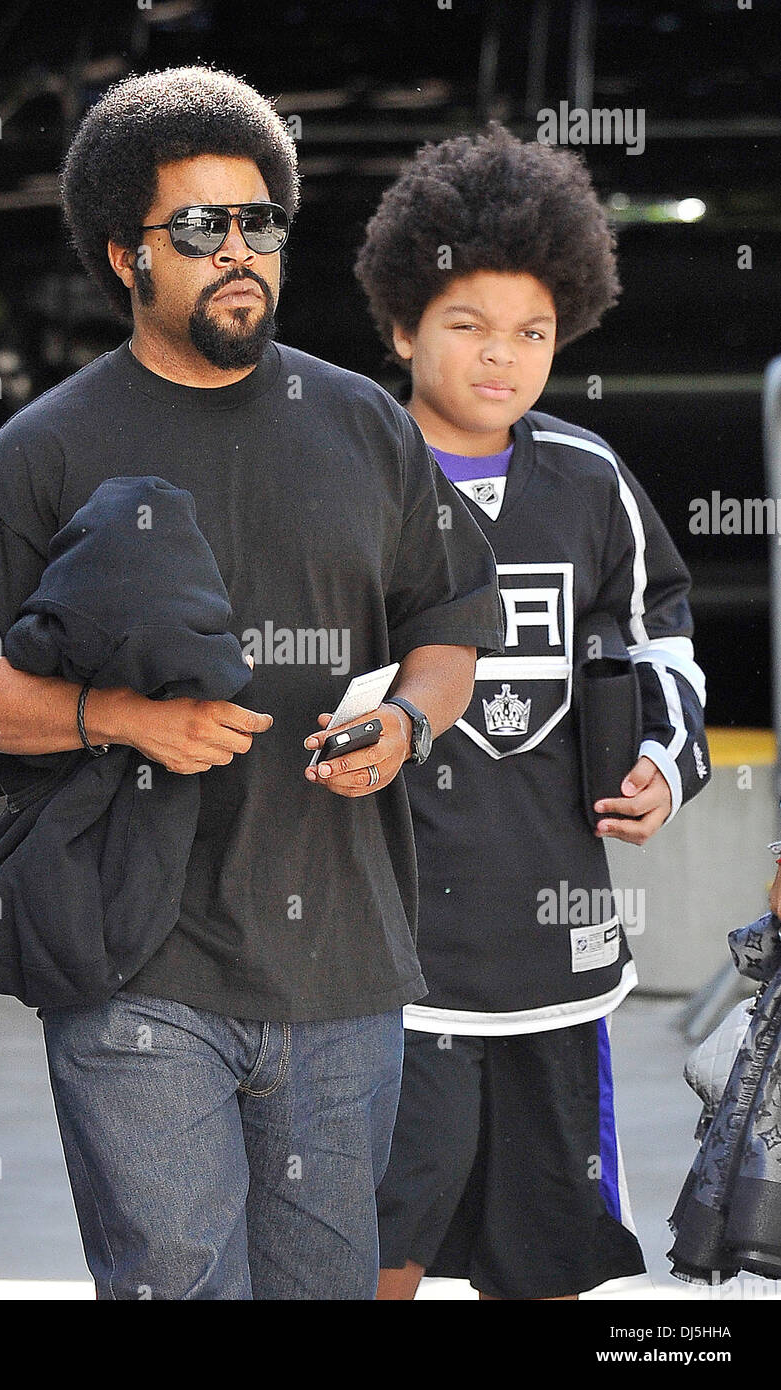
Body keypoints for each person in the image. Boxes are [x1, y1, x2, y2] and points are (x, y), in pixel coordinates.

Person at [0, 66, 504, 1300]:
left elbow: (452, 620)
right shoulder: (45, 449)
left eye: (259, 222)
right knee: (177, 1282)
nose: (241, 252)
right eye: (202, 228)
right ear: (129, 255)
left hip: (341, 961)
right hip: (134, 962)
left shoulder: (361, 424)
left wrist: (406, 721)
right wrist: (119, 719)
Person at [353, 123, 711, 1301]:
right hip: (386, 953)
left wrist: (663, 756)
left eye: (533, 333)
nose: (502, 358)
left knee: (552, 1246)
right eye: (467, 326)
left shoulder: (589, 478)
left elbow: (663, 627)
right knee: (377, 1238)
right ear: (404, 325)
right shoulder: (353, 473)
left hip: (553, 946)